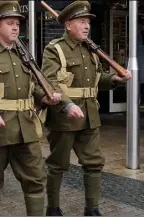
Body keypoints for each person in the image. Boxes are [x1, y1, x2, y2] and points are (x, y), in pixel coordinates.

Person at [0, 1, 62, 215]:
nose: (15, 27)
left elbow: (33, 88)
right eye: (10, 23)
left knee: (36, 180)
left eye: (17, 23)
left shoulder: (24, 55)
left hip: (26, 127)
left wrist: (45, 98)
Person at [40, 1, 132, 216]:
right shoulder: (55, 50)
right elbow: (48, 82)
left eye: (87, 22)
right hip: (64, 118)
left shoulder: (90, 50)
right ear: (68, 24)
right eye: (81, 21)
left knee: (94, 164)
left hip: (90, 116)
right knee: (58, 165)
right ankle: (53, 208)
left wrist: (115, 78)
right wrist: (67, 105)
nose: (86, 26)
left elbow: (98, 80)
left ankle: (92, 209)